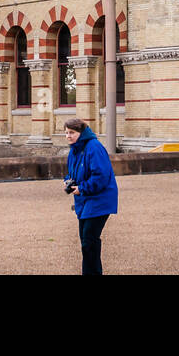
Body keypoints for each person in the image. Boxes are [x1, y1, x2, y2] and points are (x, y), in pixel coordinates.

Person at [63, 117, 118, 275]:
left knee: (89, 240)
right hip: (84, 200)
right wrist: (68, 181)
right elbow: (71, 173)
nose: (68, 136)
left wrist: (83, 188)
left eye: (72, 132)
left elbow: (101, 176)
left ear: (81, 132)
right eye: (66, 133)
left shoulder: (94, 147)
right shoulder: (74, 150)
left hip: (100, 199)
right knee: (86, 241)